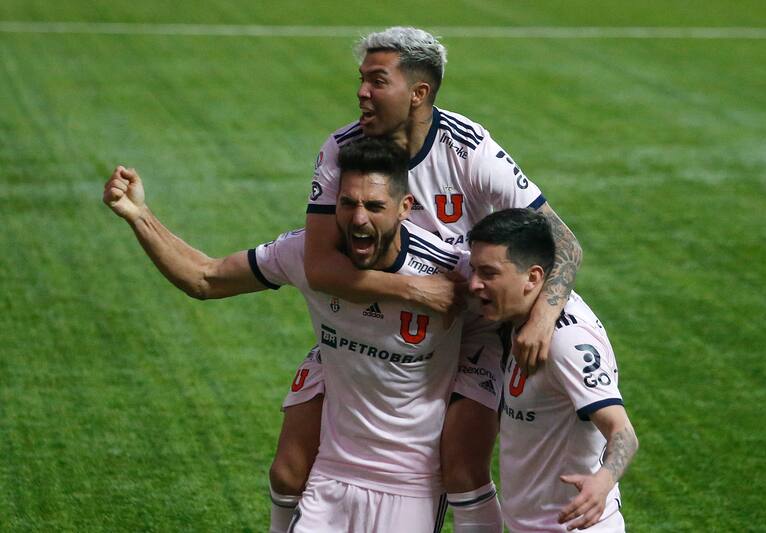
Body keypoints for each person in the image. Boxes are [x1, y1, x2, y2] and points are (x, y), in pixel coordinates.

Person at [272, 26, 583, 533]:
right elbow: (321, 266)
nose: (361, 93)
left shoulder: (469, 148)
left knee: (460, 469)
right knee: (290, 466)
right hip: (371, 325)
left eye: (377, 80)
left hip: (470, 330)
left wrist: (542, 318)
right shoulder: (341, 149)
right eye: (362, 79)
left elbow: (564, 243)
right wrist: (415, 289)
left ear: (418, 93)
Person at [103, 137, 472, 532]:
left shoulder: (451, 271)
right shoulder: (305, 255)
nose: (359, 219)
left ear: (405, 208)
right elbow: (205, 278)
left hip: (410, 485)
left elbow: (523, 300)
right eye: (348, 204)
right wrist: (138, 214)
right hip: (331, 475)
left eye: (374, 206)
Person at [467, 209, 639, 532]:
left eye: (488, 273)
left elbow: (624, 434)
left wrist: (602, 482)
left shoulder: (567, 341)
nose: (474, 284)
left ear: (533, 278)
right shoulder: (517, 320)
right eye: (473, 270)